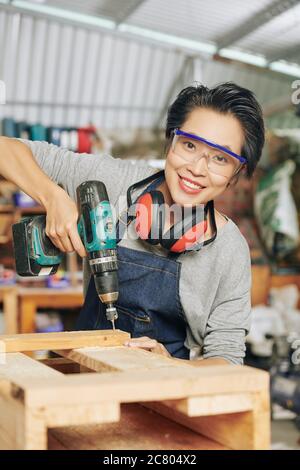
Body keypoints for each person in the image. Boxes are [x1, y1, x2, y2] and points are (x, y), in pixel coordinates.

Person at [0, 82, 264, 366]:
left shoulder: (229, 250)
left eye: (220, 159)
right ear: (170, 140)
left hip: (168, 394)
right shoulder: (112, 183)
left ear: (236, 173)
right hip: (87, 375)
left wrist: (170, 366)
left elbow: (226, 358)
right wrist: (52, 197)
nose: (197, 169)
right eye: (189, 145)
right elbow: (6, 148)